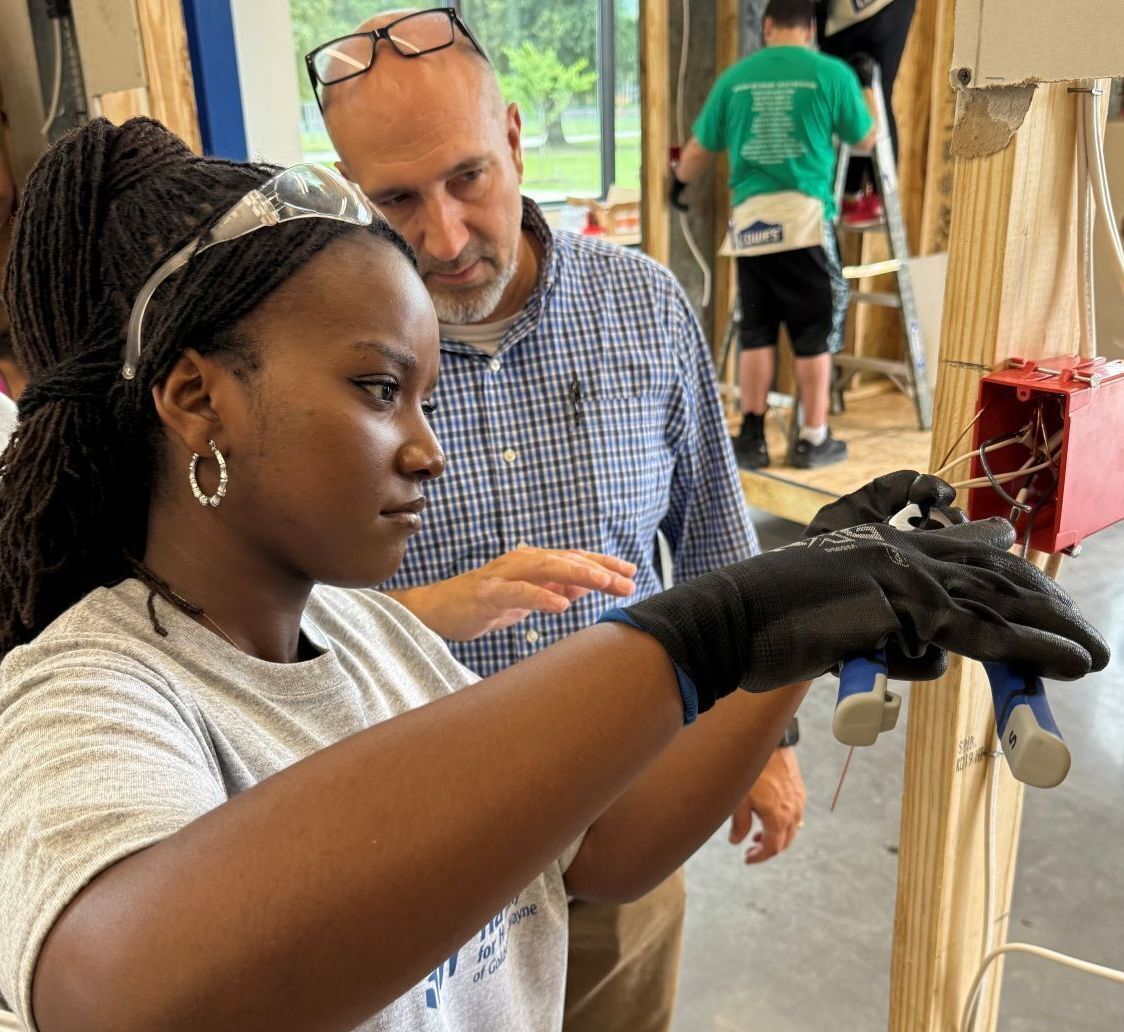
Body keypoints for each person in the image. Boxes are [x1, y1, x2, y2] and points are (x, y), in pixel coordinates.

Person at [0, 116, 1107, 1032]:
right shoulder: (84, 696)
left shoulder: (374, 637)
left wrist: (785, 643)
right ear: (198, 399)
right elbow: (118, 994)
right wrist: (689, 635)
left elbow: (593, 854)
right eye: (380, 390)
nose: (426, 446)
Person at [310, 9, 805, 1030]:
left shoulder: (642, 306)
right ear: (347, 185)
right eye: (395, 199)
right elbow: (285, 625)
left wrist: (769, 734)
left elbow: (714, 530)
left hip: (627, 809)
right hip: (411, 858)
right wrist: (430, 610)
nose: (443, 237)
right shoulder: (325, 355)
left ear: (517, 141)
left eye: (467, 179)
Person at [673, 0, 876, 471]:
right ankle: (812, 438)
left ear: (767, 26)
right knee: (812, 336)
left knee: (757, 332)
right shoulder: (831, 73)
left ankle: (751, 438)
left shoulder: (736, 78)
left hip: (751, 226)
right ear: (809, 29)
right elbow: (866, 140)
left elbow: (698, 152)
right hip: (804, 220)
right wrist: (866, 84)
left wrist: (679, 183)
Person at [817, 0, 918, 225]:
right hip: (876, 13)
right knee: (870, 92)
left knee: (866, 93)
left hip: (863, 16)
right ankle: (858, 193)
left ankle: (867, 195)